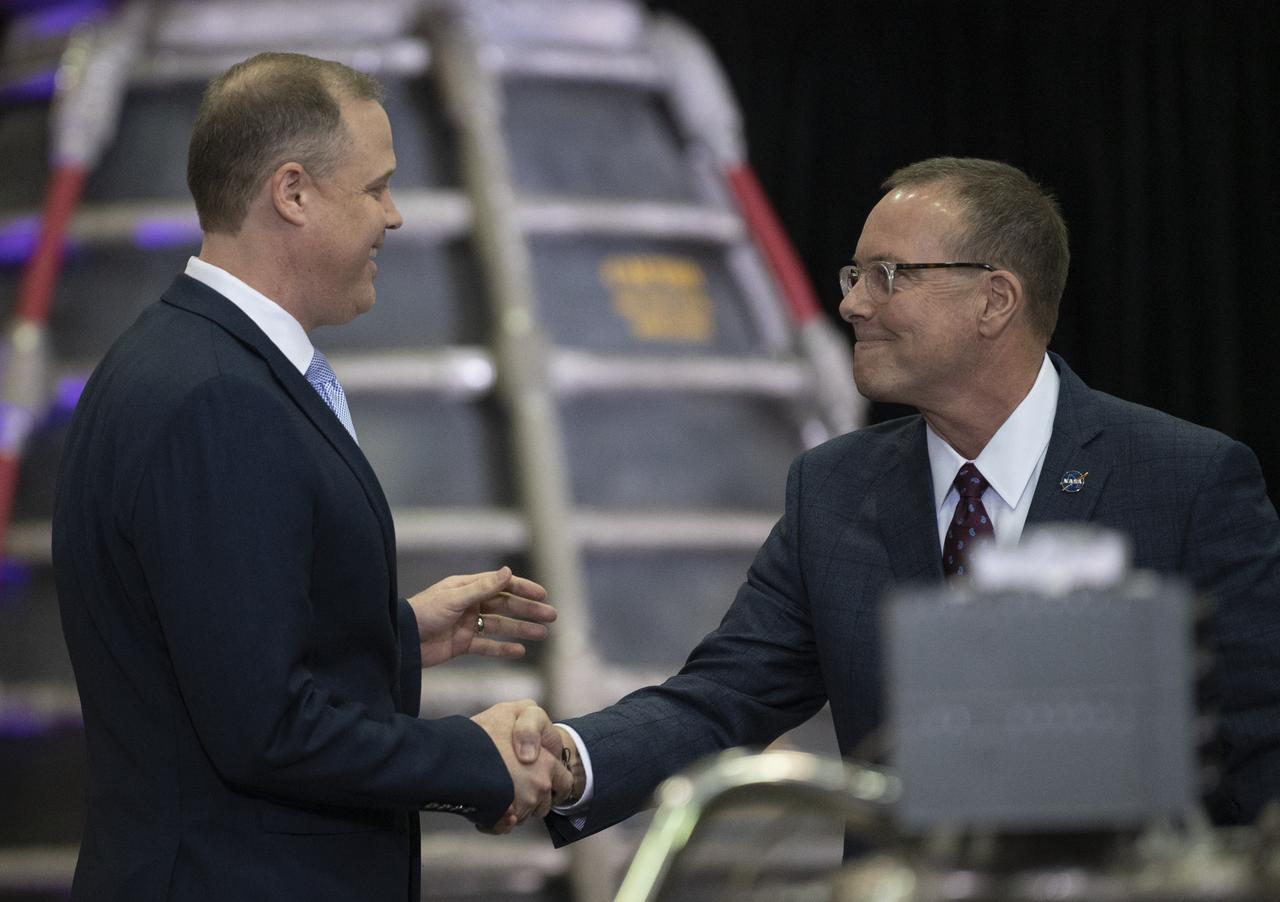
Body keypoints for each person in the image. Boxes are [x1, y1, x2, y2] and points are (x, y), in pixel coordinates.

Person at [544, 157, 1280, 843]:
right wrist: (565, 759)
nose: (852, 303)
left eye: (888, 275)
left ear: (995, 299)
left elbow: (1259, 753)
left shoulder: (1186, 481)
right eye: (854, 275)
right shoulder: (832, 488)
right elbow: (724, 698)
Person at [53, 52, 570, 901]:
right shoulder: (220, 399)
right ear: (292, 193)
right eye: (376, 188)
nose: (393, 216)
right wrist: (474, 759)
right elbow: (264, 728)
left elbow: (210, 644)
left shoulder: (180, 357)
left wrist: (394, 633)